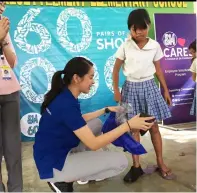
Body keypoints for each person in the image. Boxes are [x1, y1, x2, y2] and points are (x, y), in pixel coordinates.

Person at [33, 57, 154, 192]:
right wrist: (128, 125)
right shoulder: (66, 104)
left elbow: (77, 119)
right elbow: (94, 144)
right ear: (76, 78)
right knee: (120, 162)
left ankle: (76, 167)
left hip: (50, 153)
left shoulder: (65, 95)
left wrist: (105, 110)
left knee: (96, 123)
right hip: (53, 164)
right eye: (90, 77)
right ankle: (62, 180)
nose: (93, 81)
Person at [112, 8, 175, 182]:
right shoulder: (125, 45)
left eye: (143, 27)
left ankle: (160, 162)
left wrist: (166, 89)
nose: (139, 32)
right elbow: (116, 69)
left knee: (154, 127)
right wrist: (116, 90)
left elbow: (158, 70)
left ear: (148, 26)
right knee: (133, 129)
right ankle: (136, 166)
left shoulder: (154, 45)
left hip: (149, 87)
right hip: (130, 88)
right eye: (135, 28)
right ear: (130, 29)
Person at [0, 1, 23, 192]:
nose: (1, 6)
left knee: (13, 148)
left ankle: (16, 189)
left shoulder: (3, 27)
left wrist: (3, 39)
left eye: (3, 3)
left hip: (10, 91)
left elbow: (12, 61)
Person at [189, 39, 196, 116]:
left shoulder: (195, 61)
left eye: (193, 52)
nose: (192, 55)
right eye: (191, 53)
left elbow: (193, 78)